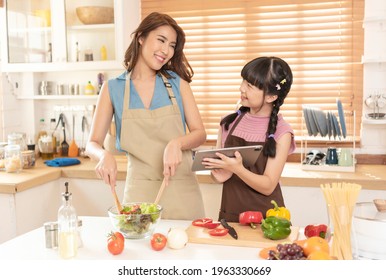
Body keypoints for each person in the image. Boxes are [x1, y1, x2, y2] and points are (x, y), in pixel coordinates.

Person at [86, 12, 206, 220]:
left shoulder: (178, 84)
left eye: (171, 45)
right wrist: (103, 155)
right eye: (161, 40)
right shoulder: (112, 89)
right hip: (139, 192)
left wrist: (176, 143)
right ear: (141, 37)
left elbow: (200, 133)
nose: (166, 50)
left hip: (182, 189)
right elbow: (92, 143)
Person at [202, 56, 296, 222]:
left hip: (269, 219)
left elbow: (268, 186)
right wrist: (219, 173)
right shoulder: (228, 122)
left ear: (271, 97)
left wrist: (238, 169)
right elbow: (218, 176)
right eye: (243, 82)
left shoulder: (282, 132)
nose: (241, 88)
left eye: (250, 86)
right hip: (231, 214)